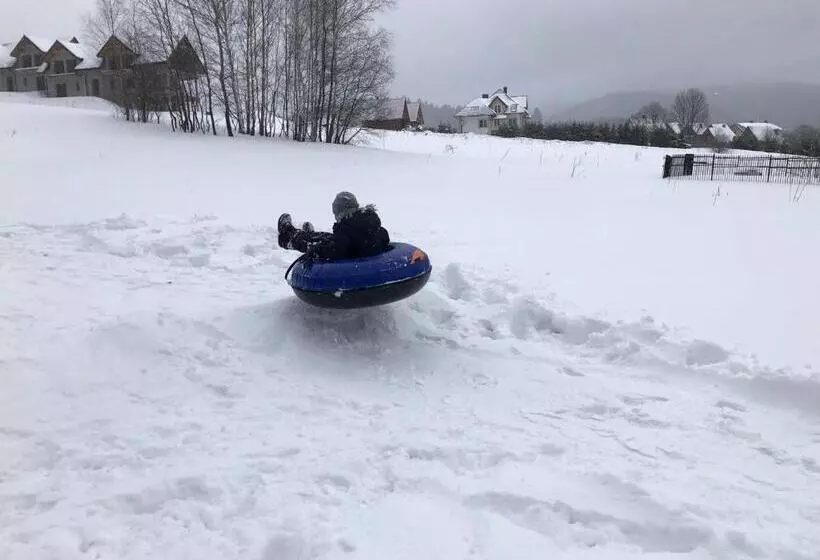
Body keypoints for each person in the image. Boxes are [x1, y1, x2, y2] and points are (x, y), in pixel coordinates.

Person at [278, 191, 391, 260]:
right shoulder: (372, 226)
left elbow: (329, 250)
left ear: (342, 212)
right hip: (353, 249)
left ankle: (288, 236)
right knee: (327, 237)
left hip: (349, 258)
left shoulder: (345, 235)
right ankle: (310, 234)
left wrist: (312, 250)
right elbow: (384, 237)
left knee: (315, 242)